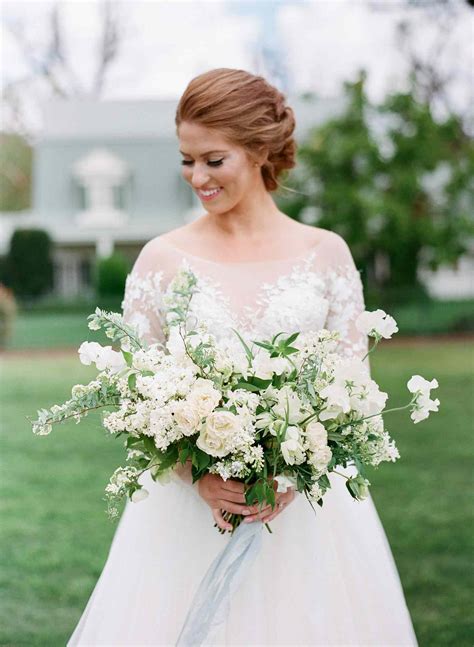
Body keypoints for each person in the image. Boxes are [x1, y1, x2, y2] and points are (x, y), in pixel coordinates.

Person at [68, 68, 418, 646]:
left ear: (259, 151)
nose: (196, 177)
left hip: (309, 518)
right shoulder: (161, 259)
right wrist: (195, 474)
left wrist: (296, 469)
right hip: (185, 517)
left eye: (213, 159)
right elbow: (134, 394)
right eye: (187, 160)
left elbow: (353, 389)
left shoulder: (326, 254)